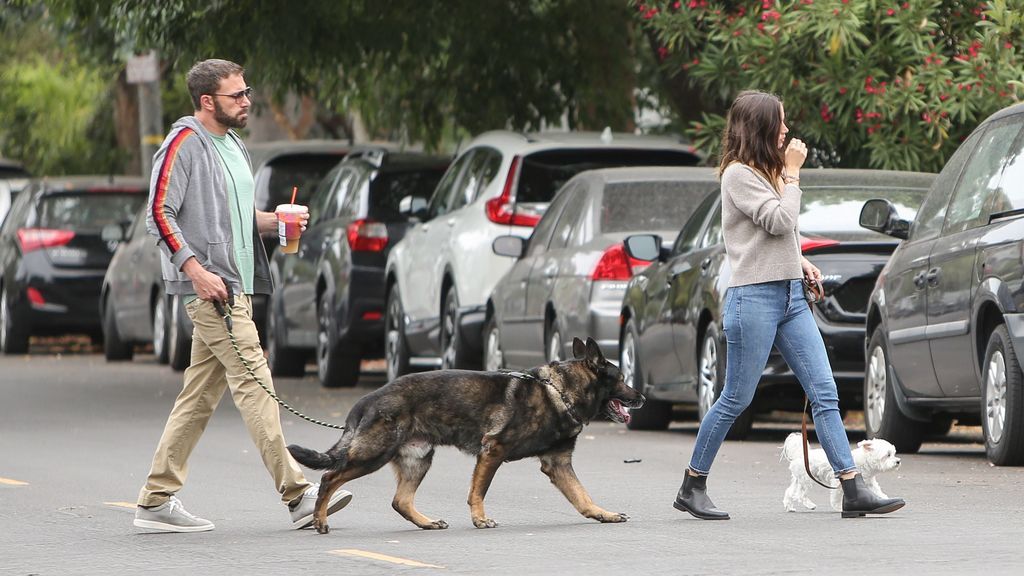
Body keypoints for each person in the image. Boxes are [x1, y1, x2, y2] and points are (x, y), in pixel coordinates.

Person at [133, 59, 352, 532]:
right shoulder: (183, 144)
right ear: (207, 101)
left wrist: (275, 220)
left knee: (198, 398)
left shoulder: (232, 144)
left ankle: (155, 499)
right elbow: (158, 213)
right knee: (255, 383)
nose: (247, 101)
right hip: (212, 289)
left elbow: (231, 216)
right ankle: (297, 494)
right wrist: (195, 270)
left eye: (247, 91)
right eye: (237, 95)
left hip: (238, 283)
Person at [672, 90, 905, 520]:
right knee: (736, 398)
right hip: (753, 299)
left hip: (791, 297)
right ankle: (693, 482)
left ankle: (852, 489)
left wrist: (799, 260)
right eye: (779, 122)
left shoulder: (769, 171)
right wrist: (794, 175)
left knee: (825, 391)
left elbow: (776, 235)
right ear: (760, 128)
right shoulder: (738, 175)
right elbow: (779, 219)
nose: (786, 130)